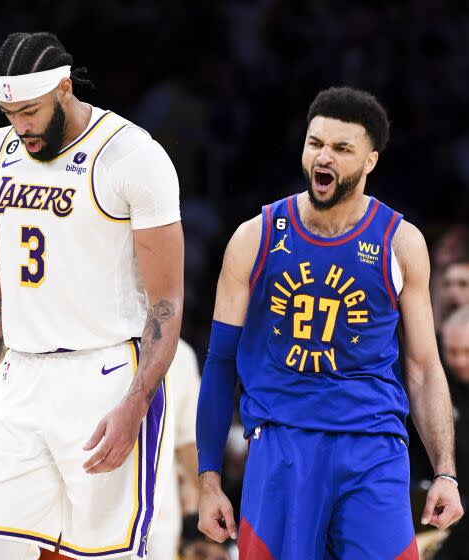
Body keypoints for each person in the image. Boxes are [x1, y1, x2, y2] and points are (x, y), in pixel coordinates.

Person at [196, 86, 463, 559]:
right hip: (281, 444)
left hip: (373, 447)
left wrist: (445, 471)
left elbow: (423, 366)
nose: (325, 156)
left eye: (342, 149)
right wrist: (209, 478)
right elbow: (220, 362)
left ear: (370, 162)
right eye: (316, 143)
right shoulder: (253, 237)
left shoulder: (401, 243)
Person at [0, 32, 183, 560]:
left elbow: (166, 303)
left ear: (64, 88)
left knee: (99, 555)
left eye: (29, 110)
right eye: (8, 112)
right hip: (18, 378)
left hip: (103, 376)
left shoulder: (133, 156)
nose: (19, 126)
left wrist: (137, 402)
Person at [149, 338, 200, 560]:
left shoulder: (180, 353)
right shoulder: (179, 351)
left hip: (160, 506)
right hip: (158, 507)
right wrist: (197, 494)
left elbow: (190, 439)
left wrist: (196, 493)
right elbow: (190, 440)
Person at [432, 306, 469, 559]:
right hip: (441, 501)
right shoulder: (439, 387)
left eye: (467, 352)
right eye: (451, 352)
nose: (459, 360)